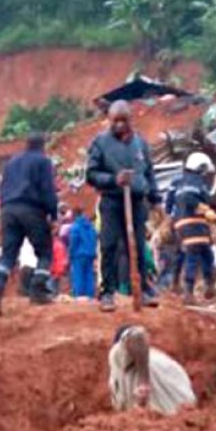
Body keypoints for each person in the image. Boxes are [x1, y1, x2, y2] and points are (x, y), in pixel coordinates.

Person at [85, 100, 161, 312]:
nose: (119, 125)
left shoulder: (141, 144)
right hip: (111, 201)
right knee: (109, 245)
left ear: (130, 119)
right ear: (109, 120)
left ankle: (144, 289)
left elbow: (149, 173)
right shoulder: (100, 143)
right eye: (115, 121)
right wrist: (113, 179)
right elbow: (90, 174)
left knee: (136, 245)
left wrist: (155, 198)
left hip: (137, 202)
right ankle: (107, 292)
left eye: (123, 120)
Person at [0, 132, 59, 315]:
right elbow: (48, 190)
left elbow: (2, 188)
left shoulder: (11, 163)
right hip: (31, 209)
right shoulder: (43, 162)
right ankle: (38, 289)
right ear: (42, 146)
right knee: (45, 251)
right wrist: (53, 214)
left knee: (8, 255)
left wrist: (4, 210)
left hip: (8, 210)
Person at [108, 325, 196, 416]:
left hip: (169, 416)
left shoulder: (118, 356)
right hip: (183, 415)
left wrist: (143, 383)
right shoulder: (161, 359)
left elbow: (136, 336)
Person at [169, 152, 216, 305]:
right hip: (193, 225)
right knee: (195, 255)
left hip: (183, 225)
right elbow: (188, 198)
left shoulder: (178, 181)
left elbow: (169, 204)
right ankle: (189, 293)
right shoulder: (195, 182)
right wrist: (204, 208)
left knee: (206, 255)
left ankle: (207, 287)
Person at [68, 206, 98, 299]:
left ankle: (79, 294)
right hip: (90, 254)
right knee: (89, 274)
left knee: (78, 274)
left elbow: (73, 241)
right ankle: (90, 295)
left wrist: (70, 253)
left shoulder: (75, 227)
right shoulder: (91, 227)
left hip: (78, 254)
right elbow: (95, 240)